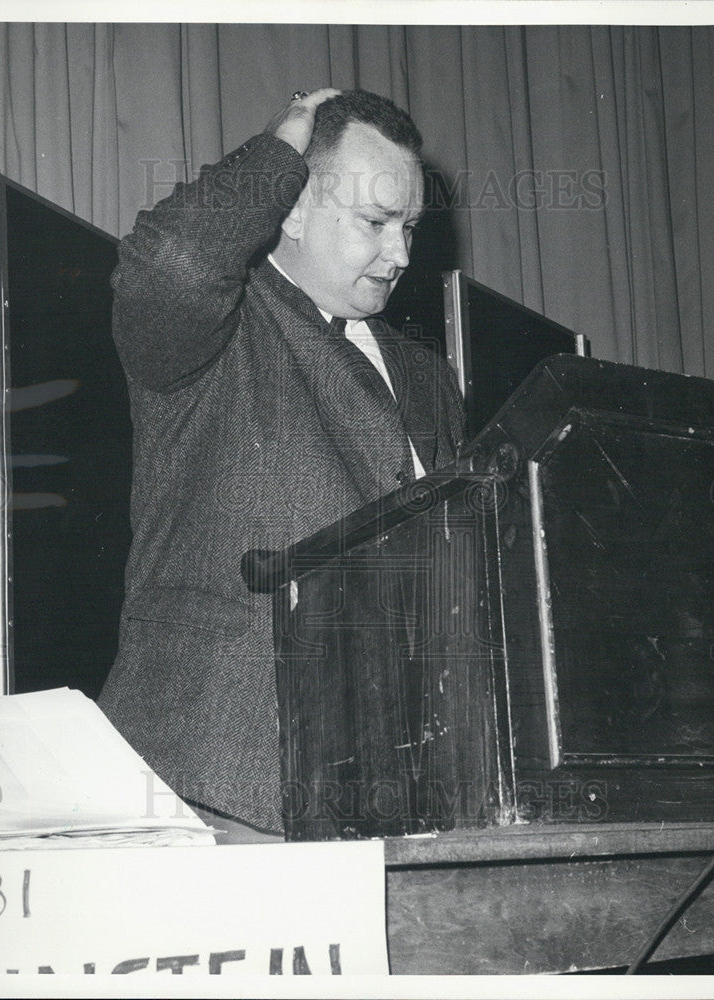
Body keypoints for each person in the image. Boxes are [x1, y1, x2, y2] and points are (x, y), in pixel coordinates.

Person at [98, 88, 466, 838]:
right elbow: (167, 263)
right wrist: (280, 148)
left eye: (410, 228)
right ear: (292, 208)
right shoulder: (219, 325)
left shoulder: (426, 376)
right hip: (219, 783)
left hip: (390, 797)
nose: (400, 255)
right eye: (375, 221)